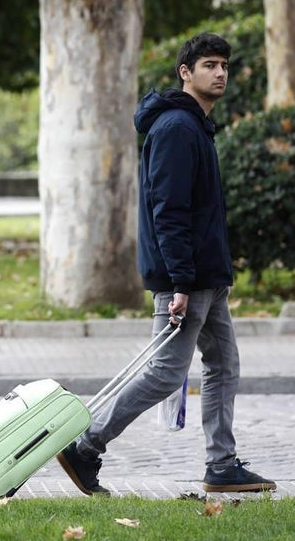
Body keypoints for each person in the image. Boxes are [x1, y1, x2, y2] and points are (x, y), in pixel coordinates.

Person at [57, 31, 276, 496]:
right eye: (209, 65)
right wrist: (179, 280)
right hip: (187, 277)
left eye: (224, 65)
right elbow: (168, 209)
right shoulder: (177, 128)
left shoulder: (194, 125)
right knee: (166, 373)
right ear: (186, 73)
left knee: (223, 364)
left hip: (205, 276)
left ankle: (221, 465)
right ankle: (85, 445)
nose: (219, 73)